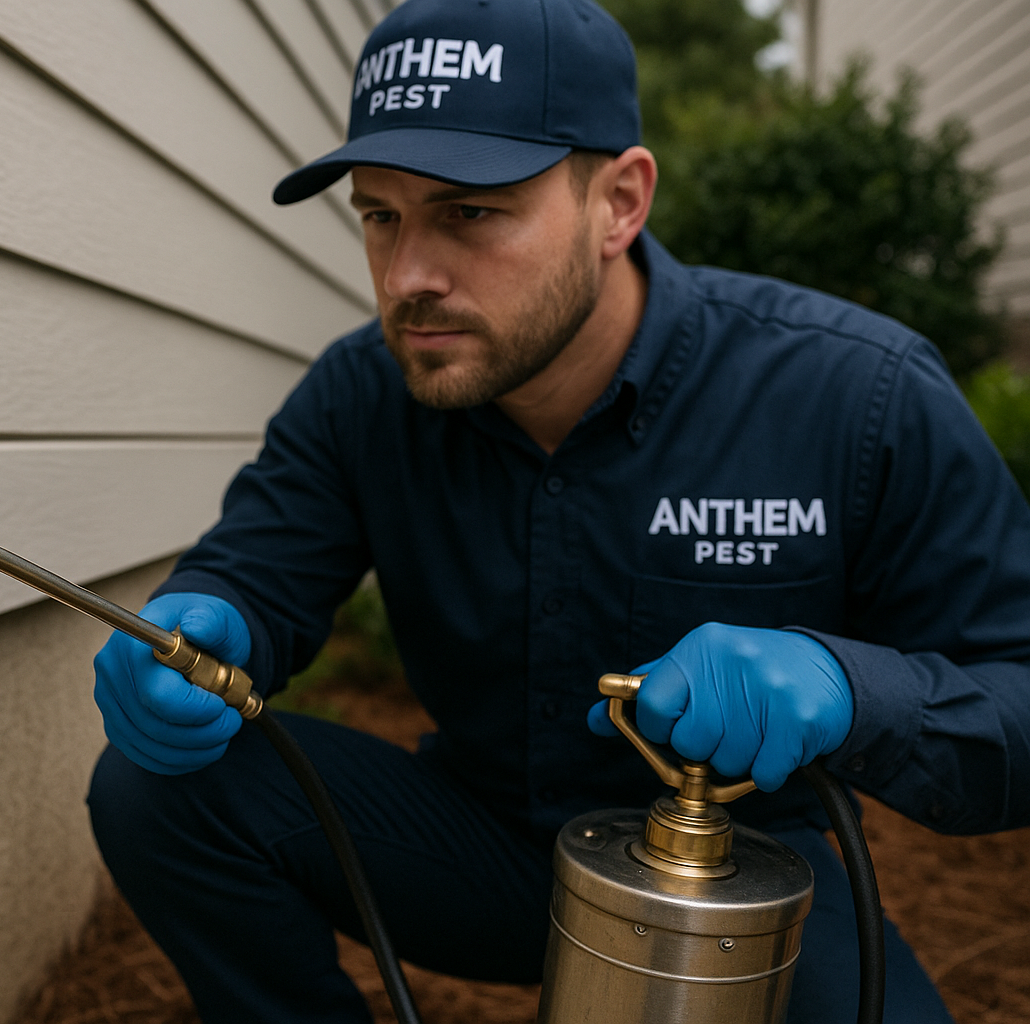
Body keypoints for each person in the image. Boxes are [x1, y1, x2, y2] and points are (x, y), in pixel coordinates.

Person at [86, 1, 1030, 1021]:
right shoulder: (360, 396)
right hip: (471, 850)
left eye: (470, 213)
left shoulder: (856, 395)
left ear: (618, 201)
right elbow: (256, 575)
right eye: (380, 215)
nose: (408, 277)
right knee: (159, 789)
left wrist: (850, 689)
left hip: (729, 875)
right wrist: (205, 621)